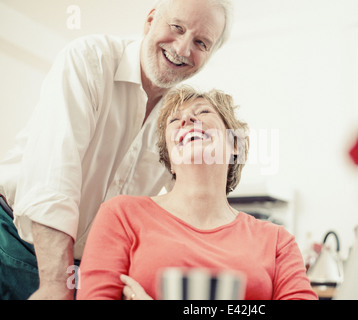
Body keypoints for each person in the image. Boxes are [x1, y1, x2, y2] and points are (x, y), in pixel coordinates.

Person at [0, 0, 233, 300]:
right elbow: (54, 176)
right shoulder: (89, 59)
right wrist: (56, 285)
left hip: (88, 268)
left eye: (201, 42)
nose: (183, 48)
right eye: (177, 27)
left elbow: (182, 209)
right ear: (150, 20)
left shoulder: (180, 118)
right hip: (13, 239)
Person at [76, 85, 318, 300]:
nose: (187, 119)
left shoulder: (277, 241)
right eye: (174, 120)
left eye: (203, 112)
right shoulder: (121, 215)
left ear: (235, 145)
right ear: (169, 158)